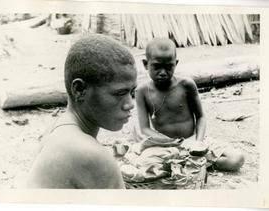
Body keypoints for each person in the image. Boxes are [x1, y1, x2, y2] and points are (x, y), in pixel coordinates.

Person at [26, 34, 137, 188]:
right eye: (119, 93)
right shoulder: (91, 155)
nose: (130, 104)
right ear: (79, 90)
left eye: (132, 93)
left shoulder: (57, 128)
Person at [135, 38, 244, 171]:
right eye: (157, 67)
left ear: (176, 63)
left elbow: (201, 117)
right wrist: (171, 143)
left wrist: (198, 142)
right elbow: (145, 128)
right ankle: (191, 163)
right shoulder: (141, 91)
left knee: (236, 159)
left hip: (193, 141)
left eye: (169, 67)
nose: (163, 72)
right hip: (165, 145)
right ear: (146, 64)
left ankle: (190, 162)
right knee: (143, 164)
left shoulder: (186, 85)